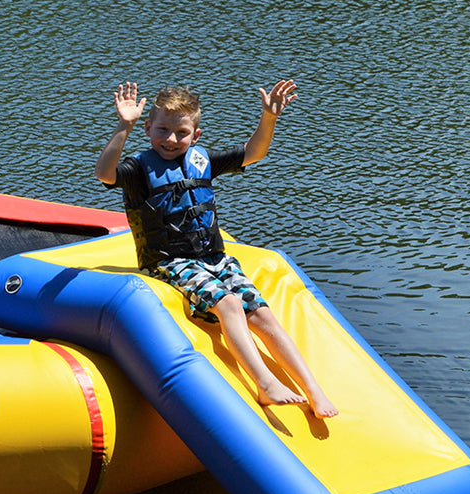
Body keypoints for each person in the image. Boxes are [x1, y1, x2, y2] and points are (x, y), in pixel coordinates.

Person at [95, 80, 338, 418]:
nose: (170, 139)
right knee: (228, 305)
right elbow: (104, 174)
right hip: (169, 262)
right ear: (148, 127)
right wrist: (125, 125)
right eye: (162, 130)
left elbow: (254, 154)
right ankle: (264, 383)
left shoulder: (201, 160)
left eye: (181, 132)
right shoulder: (139, 169)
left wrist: (269, 118)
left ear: (195, 135)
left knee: (263, 314)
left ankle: (313, 389)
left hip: (215, 258)